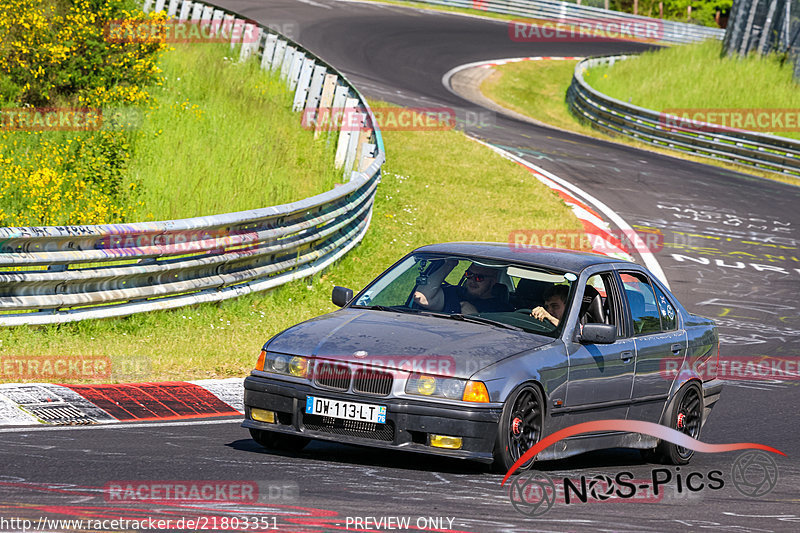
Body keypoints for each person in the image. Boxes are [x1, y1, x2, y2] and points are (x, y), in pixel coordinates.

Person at [413, 260, 511, 314]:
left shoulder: (502, 310)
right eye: (469, 274)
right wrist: (449, 264)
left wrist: (474, 317)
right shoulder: (454, 292)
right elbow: (421, 298)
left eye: (479, 278)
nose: (472, 280)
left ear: (493, 281)